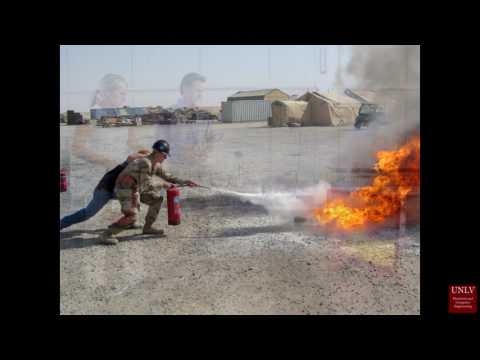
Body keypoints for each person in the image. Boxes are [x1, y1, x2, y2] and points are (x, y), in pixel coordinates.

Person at [99, 140, 198, 245]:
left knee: (156, 200)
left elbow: (168, 176)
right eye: (165, 155)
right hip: (125, 189)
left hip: (136, 188)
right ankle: (107, 234)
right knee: (132, 216)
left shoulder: (155, 164)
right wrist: (164, 184)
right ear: (158, 152)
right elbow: (147, 185)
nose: (165, 158)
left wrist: (185, 182)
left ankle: (148, 228)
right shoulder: (145, 163)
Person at [60, 149, 151, 230]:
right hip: (105, 190)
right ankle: (61, 223)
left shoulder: (140, 172)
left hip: (117, 190)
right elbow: (131, 156)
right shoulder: (130, 162)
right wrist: (151, 156)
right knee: (88, 213)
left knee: (135, 198)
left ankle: (130, 222)